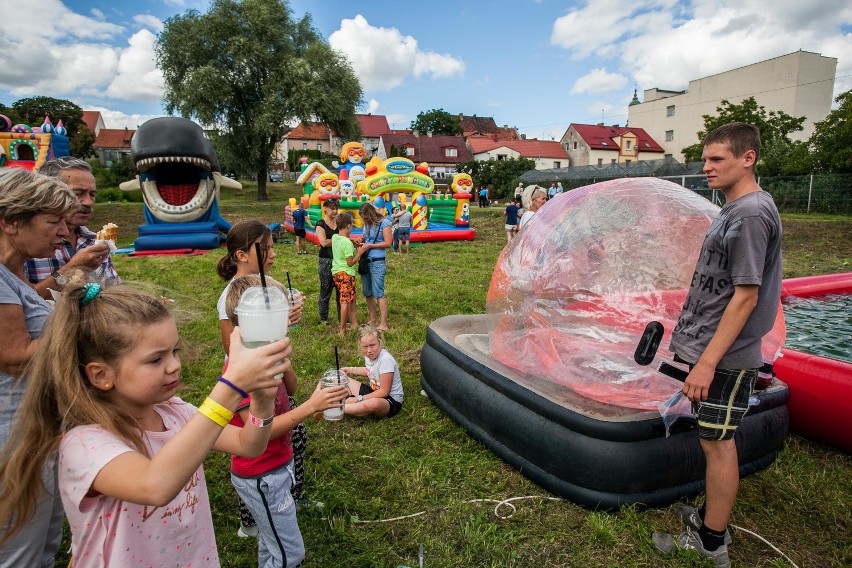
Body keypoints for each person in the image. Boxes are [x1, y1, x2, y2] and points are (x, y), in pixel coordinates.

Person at [0, 284, 290, 567]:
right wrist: (230, 388)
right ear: (101, 375)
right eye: (156, 359)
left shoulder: (175, 412)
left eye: (174, 351)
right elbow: (155, 486)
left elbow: (248, 445)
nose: (174, 364)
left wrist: (262, 403)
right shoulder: (84, 443)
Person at [653, 123, 782, 568]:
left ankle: (712, 541)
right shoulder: (735, 209)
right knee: (713, 438)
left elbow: (746, 294)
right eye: (705, 159)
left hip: (725, 355)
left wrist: (707, 362)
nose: (705, 167)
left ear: (748, 158)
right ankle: (710, 517)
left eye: (717, 160)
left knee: (717, 443)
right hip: (712, 348)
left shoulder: (749, 214)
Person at [223, 276, 348, 568]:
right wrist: (311, 406)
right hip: (260, 474)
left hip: (278, 466)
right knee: (290, 554)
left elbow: (290, 389)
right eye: (279, 315)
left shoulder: (266, 355)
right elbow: (260, 434)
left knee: (271, 542)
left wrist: (282, 357)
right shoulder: (239, 368)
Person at [0, 169, 77, 567]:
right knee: (20, 553)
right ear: (11, 222)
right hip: (14, 439)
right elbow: (14, 357)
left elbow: (33, 313)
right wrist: (82, 329)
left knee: (42, 543)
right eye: (53, 222)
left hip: (35, 427)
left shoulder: (10, 274)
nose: (63, 232)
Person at [216, 220, 308, 536]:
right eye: (265, 248)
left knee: (294, 441)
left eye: (270, 246)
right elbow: (235, 348)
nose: (272, 254)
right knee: (255, 451)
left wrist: (285, 319)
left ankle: (288, 496)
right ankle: (252, 519)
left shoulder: (265, 284)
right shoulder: (234, 296)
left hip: (273, 371)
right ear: (241, 255)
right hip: (251, 384)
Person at [24, 157, 121, 299]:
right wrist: (73, 268)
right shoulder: (26, 244)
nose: (88, 202)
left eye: (92, 194)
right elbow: (22, 303)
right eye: (77, 194)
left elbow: (114, 291)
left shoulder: (94, 241)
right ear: (48, 194)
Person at [341, 325, 403, 418]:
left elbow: (384, 392)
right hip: (373, 392)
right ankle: (349, 405)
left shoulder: (386, 360)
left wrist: (359, 399)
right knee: (339, 378)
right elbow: (370, 371)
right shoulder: (369, 356)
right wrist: (350, 369)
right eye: (365, 347)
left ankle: (337, 408)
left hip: (389, 400)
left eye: (372, 345)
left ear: (380, 343)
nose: (369, 350)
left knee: (372, 404)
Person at [358, 202, 392, 331]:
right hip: (366, 260)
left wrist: (370, 246)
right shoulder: (367, 224)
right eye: (363, 218)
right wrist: (361, 240)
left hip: (377, 261)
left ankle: (383, 323)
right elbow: (367, 238)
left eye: (366, 218)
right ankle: (373, 319)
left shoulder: (385, 223)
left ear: (371, 214)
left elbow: (388, 242)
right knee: (367, 292)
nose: (364, 220)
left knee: (379, 292)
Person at [331, 213, 364, 336]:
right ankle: (342, 330)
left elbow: (342, 238)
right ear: (349, 226)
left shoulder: (335, 237)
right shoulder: (347, 244)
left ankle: (354, 323)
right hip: (346, 274)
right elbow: (350, 263)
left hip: (336, 273)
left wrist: (352, 240)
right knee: (345, 301)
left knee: (351, 298)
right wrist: (359, 252)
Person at [315, 198, 341, 325]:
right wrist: (338, 239)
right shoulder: (320, 224)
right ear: (325, 208)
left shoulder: (340, 223)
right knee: (325, 290)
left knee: (341, 291)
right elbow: (323, 242)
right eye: (332, 208)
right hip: (325, 261)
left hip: (339, 260)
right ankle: (323, 318)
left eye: (336, 208)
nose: (335, 211)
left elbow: (346, 237)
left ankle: (342, 317)